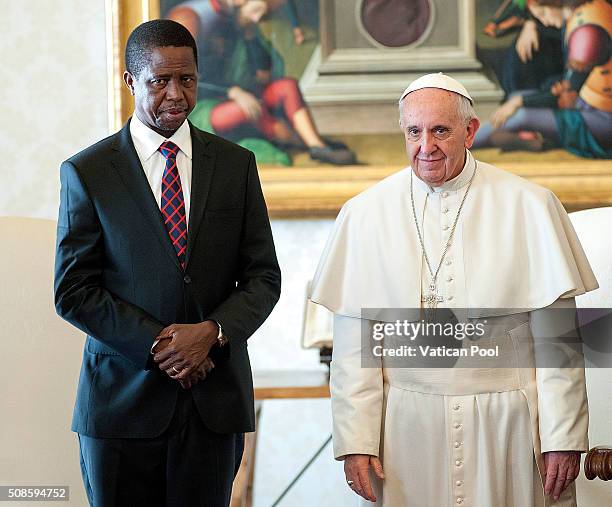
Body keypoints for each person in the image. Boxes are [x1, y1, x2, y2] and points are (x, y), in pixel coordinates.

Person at [310, 73, 597, 505]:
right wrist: (357, 441)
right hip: (406, 427)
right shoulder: (365, 214)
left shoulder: (530, 205)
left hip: (509, 421)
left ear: (470, 131)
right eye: (414, 131)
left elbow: (559, 341)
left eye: (441, 130)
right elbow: (355, 346)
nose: (426, 146)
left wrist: (562, 436)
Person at [54, 19, 281, 507]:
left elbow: (263, 277)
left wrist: (212, 333)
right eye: (160, 81)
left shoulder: (236, 164)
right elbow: (73, 291)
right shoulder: (87, 172)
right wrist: (162, 344)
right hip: (120, 407)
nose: (176, 94)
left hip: (213, 406)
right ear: (131, 81)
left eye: (188, 79)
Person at [168, 0, 356, 165]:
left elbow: (264, 74)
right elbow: (185, 77)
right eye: (255, 11)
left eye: (262, 14)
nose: (259, 18)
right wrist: (232, 92)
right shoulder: (199, 22)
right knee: (248, 109)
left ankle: (316, 146)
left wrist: (250, 37)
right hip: (204, 106)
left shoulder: (242, 26)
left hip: (243, 95)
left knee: (286, 86)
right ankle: (303, 143)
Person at [475, 0, 612, 158]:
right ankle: (537, 140)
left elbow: (567, 93)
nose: (543, 21)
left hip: (601, 120)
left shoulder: (587, 33)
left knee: (521, 114)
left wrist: (519, 102)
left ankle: (463, 144)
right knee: (515, 98)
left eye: (542, 14)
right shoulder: (584, 11)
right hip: (586, 105)